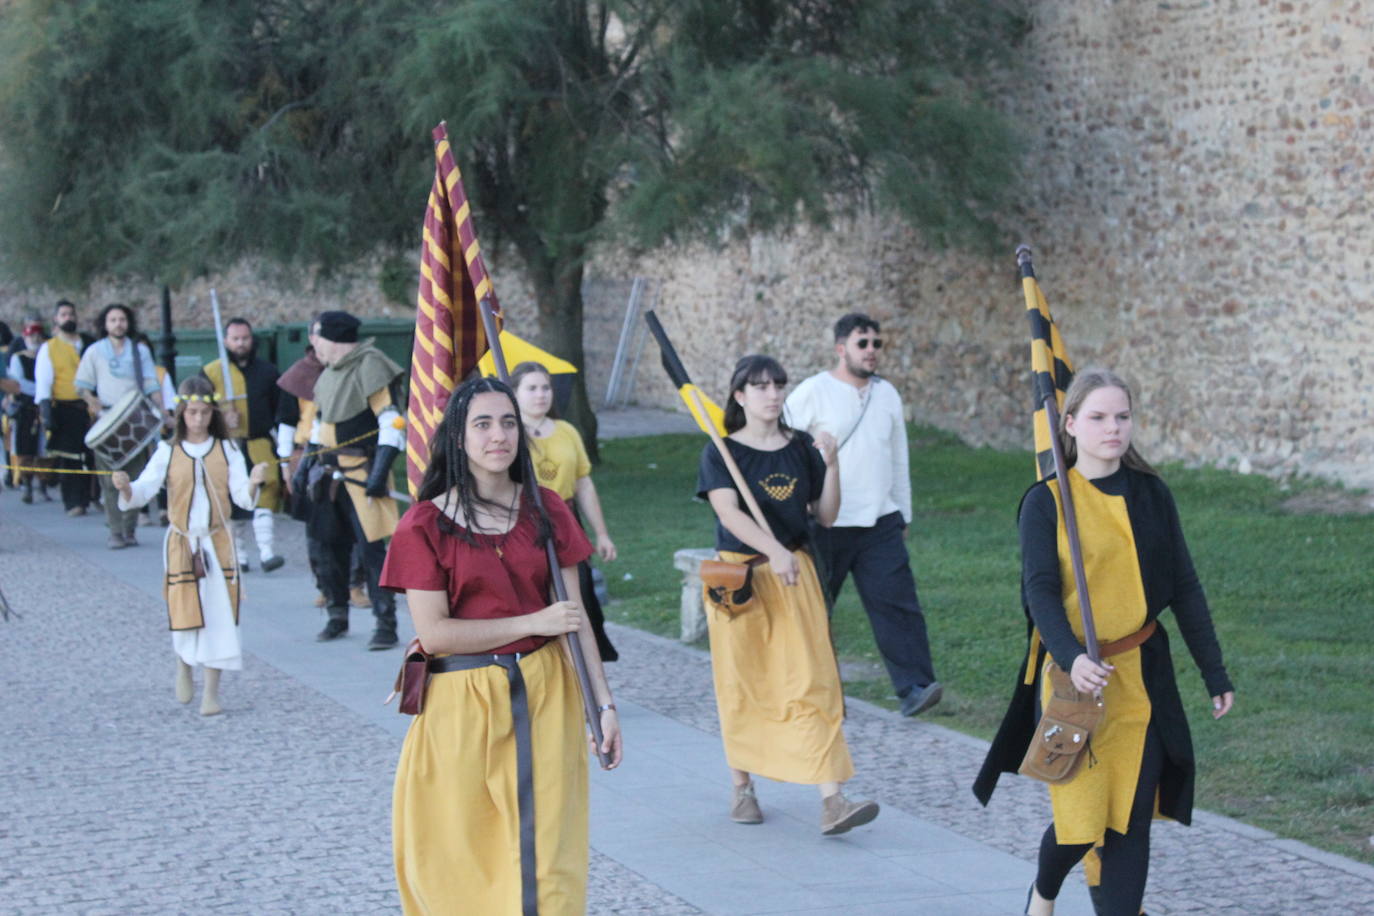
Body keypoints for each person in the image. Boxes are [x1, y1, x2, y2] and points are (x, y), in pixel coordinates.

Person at [972, 368, 1236, 916]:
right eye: (1097, 417)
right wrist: (1071, 655)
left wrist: (1214, 673)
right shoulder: (1046, 501)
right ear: (1069, 424)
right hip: (1075, 686)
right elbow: (1040, 592)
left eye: (1122, 416)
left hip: (1141, 682)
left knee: (1129, 821)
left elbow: (1184, 585)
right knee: (1077, 826)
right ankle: (1043, 894)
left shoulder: (1151, 495)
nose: (1112, 428)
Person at [381, 376, 622, 914]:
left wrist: (602, 706)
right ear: (457, 437)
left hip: (545, 694)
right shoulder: (423, 524)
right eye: (483, 423)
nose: (499, 435)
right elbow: (437, 632)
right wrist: (535, 618)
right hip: (460, 701)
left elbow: (575, 618)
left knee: (547, 851)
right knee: (459, 850)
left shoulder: (548, 511)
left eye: (508, 422)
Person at [698, 354, 879, 835]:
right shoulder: (721, 451)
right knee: (743, 684)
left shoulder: (800, 447)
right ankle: (743, 788)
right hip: (739, 580)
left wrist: (832, 464)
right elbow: (729, 514)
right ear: (739, 396)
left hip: (794, 577)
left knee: (811, 680)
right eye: (759, 386)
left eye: (778, 384)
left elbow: (825, 514)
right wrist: (772, 550)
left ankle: (832, 800)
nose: (772, 393)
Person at [784, 312, 942, 717]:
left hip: (880, 522)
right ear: (841, 349)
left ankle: (915, 688)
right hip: (826, 521)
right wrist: (795, 503)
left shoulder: (887, 394)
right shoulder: (812, 392)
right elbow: (785, 448)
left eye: (876, 343)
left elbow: (898, 457)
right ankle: (804, 688)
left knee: (898, 606)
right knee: (815, 608)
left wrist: (902, 513)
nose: (871, 351)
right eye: (862, 343)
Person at [112, 376, 268, 716]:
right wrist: (125, 487)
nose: (198, 420)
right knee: (184, 610)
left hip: (217, 542)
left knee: (220, 617)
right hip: (182, 541)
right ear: (181, 413)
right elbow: (142, 491)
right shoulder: (167, 451)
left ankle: (211, 692)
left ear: (212, 413)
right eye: (192, 412)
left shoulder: (227, 450)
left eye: (204, 413)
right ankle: (184, 661)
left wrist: (255, 482)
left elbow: (242, 495)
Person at [294, 310, 403, 649]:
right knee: (328, 547)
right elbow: (320, 423)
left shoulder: (370, 365)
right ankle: (337, 616)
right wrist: (304, 465)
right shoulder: (329, 373)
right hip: (328, 476)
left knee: (371, 551)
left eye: (318, 338)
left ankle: (385, 624)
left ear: (334, 340)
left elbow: (392, 422)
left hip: (361, 473)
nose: (315, 345)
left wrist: (381, 470)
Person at [510, 360, 619, 662]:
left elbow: (583, 483)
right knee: (537, 600)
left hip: (567, 525)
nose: (541, 394)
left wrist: (602, 533)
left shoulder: (567, 431)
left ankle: (585, 673)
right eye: (531, 388)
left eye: (545, 387)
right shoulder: (509, 434)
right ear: (515, 393)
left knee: (578, 598)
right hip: (526, 526)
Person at [74, 303, 168, 548]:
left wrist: (164, 411)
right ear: (105, 324)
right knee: (109, 481)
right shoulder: (94, 351)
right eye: (113, 319)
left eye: (122, 319)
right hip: (107, 421)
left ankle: (129, 529)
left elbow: (151, 384)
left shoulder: (140, 352)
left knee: (135, 478)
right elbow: (82, 384)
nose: (118, 323)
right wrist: (90, 400)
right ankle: (115, 531)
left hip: (136, 422)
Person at [201, 317, 285, 571]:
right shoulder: (211, 372)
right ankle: (239, 554)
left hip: (259, 442)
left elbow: (279, 410)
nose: (240, 343)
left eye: (245, 338)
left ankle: (267, 551)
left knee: (266, 490)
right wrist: (220, 417)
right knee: (231, 495)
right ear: (226, 341)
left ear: (252, 339)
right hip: (227, 444)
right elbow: (197, 408)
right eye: (235, 339)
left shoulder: (268, 372)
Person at [35, 300, 94, 516]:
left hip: (91, 407)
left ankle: (91, 497)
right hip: (64, 408)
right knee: (70, 457)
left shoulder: (89, 343)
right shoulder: (49, 348)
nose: (68, 318)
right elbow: (43, 383)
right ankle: (73, 502)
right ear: (56, 319)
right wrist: (45, 411)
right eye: (63, 314)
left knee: (91, 455)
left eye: (71, 314)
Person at [7, 320, 54, 503]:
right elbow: (19, 384)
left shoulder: (47, 356)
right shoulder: (18, 358)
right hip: (25, 410)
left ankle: (43, 486)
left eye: (37, 335)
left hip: (44, 408)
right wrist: (41, 390)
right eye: (30, 335)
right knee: (25, 449)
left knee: (44, 450)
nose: (34, 338)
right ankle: (27, 486)